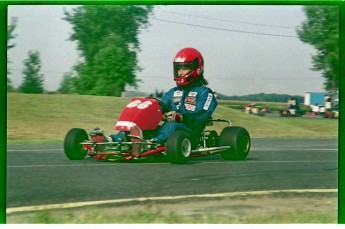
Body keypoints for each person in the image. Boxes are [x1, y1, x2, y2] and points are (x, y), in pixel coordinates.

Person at [90, 47, 218, 145]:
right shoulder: (173, 92)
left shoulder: (205, 93)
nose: (180, 72)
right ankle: (110, 140)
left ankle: (151, 143)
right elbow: (161, 106)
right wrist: (150, 110)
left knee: (171, 125)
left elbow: (200, 115)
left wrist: (179, 117)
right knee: (139, 124)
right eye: (178, 69)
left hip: (189, 133)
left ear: (197, 68)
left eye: (184, 68)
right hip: (170, 133)